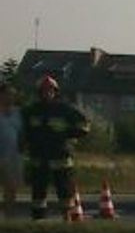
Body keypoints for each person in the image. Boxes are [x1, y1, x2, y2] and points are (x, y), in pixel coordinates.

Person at [21, 75, 90, 221]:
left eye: (50, 90)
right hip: (38, 157)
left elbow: (84, 125)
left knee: (64, 190)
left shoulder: (65, 109)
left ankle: (67, 219)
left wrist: (67, 133)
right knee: (38, 191)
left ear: (55, 92)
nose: (47, 93)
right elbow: (22, 130)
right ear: (39, 92)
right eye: (44, 90)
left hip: (61, 156)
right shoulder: (30, 111)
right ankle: (38, 221)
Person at [0, 82, 22, 218]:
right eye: (7, 94)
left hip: (13, 156)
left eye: (13, 94)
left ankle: (9, 219)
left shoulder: (18, 113)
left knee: (11, 189)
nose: (11, 97)